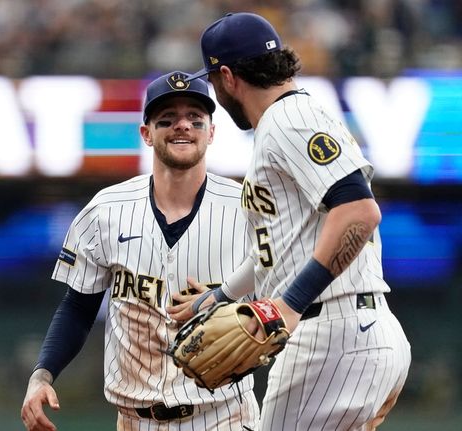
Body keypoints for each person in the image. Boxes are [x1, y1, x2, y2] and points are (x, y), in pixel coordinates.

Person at [168, 12, 412, 430]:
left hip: (332, 335)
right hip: (356, 333)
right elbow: (281, 246)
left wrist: (290, 303)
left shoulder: (287, 120)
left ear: (227, 77)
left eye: (213, 83)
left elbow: (359, 210)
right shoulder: (289, 120)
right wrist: (221, 296)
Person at [21, 71, 259, 431]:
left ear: (211, 132)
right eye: (167, 120)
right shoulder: (106, 209)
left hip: (225, 415)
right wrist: (42, 376)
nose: (183, 126)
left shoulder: (248, 209)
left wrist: (241, 312)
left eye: (196, 119)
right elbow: (78, 307)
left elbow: (281, 303)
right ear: (146, 134)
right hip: (135, 420)